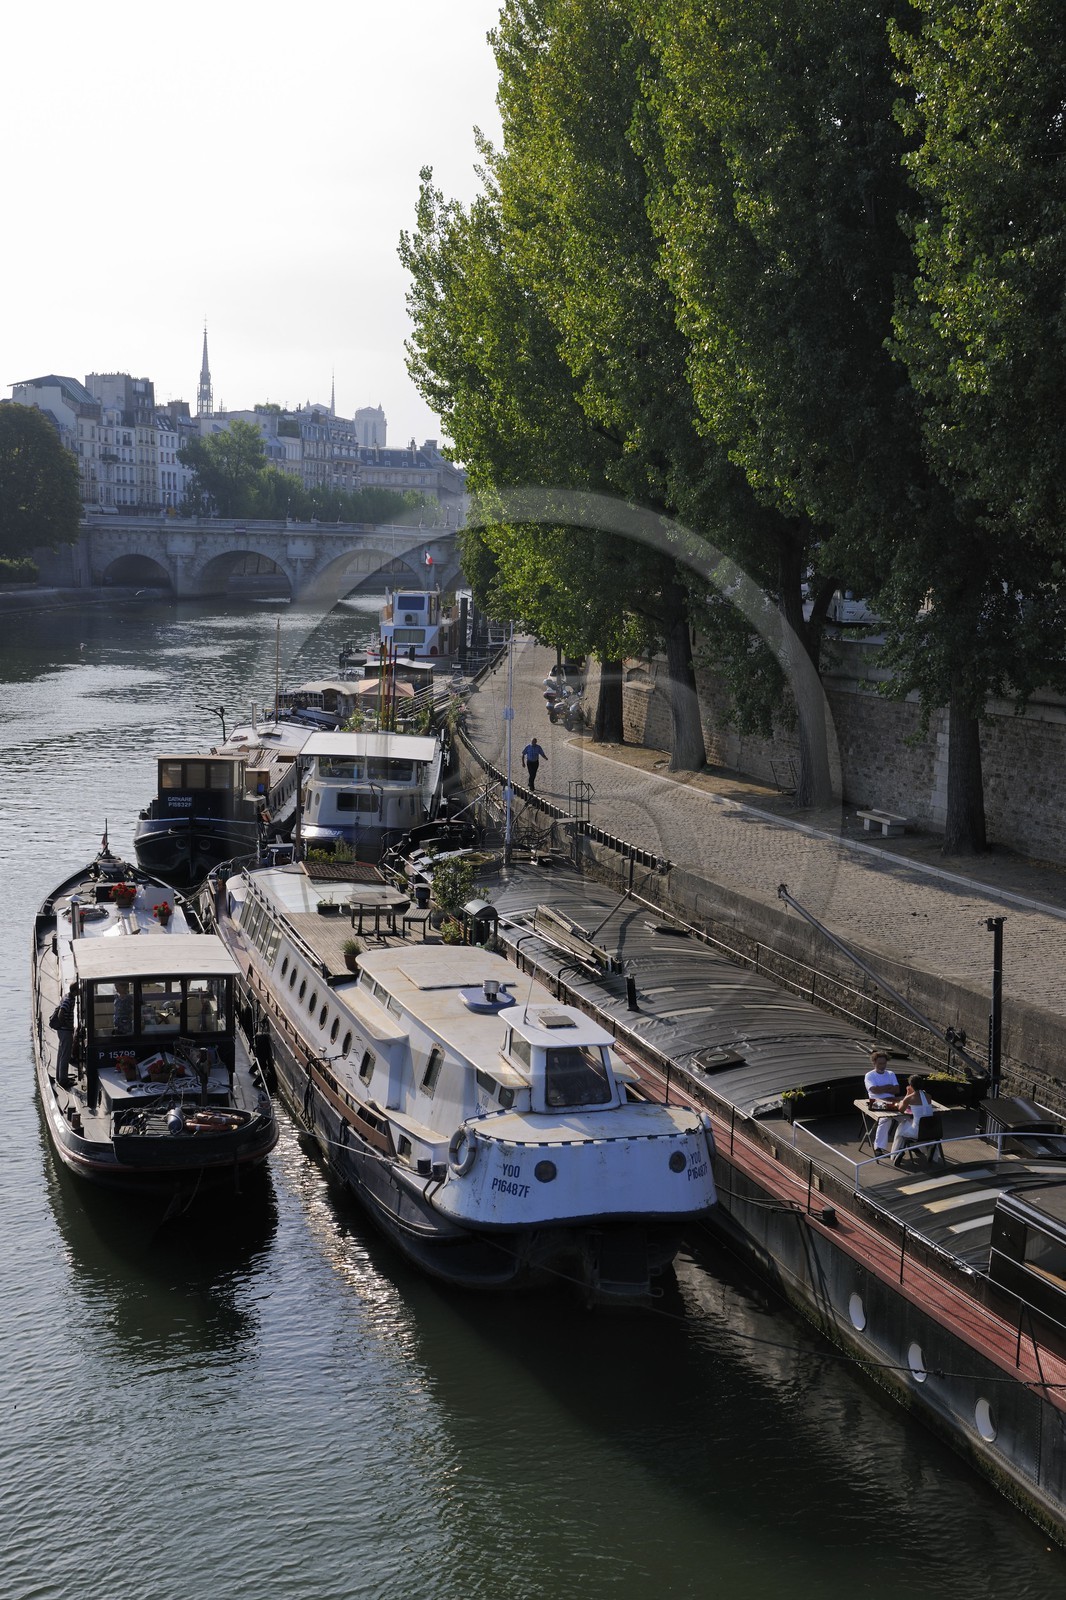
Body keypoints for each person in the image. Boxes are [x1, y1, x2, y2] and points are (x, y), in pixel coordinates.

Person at [892, 1075, 934, 1163]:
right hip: (931, 1131)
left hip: (918, 1132)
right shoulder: (929, 1096)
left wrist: (908, 1093)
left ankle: (900, 1151)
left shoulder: (910, 1097)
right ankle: (923, 1147)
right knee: (911, 1122)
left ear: (910, 1085)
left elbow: (901, 1109)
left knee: (902, 1126)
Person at [50, 982, 77, 1089]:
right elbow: (62, 1012)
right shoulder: (68, 1000)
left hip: (63, 1031)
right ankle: (63, 1081)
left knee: (61, 1053)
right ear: (75, 991)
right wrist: (67, 1025)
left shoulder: (68, 996)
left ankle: (60, 1077)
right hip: (65, 1031)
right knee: (65, 1055)